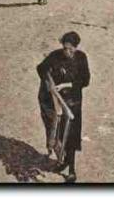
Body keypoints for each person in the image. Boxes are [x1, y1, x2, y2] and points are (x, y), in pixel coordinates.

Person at [36, 32, 90, 183]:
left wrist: (67, 85)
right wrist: (50, 84)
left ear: (76, 47)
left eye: (71, 49)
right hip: (58, 101)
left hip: (73, 102)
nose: (68, 52)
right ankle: (63, 160)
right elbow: (40, 69)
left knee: (71, 135)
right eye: (65, 48)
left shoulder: (81, 58)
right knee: (59, 134)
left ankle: (71, 169)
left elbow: (85, 81)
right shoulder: (55, 55)